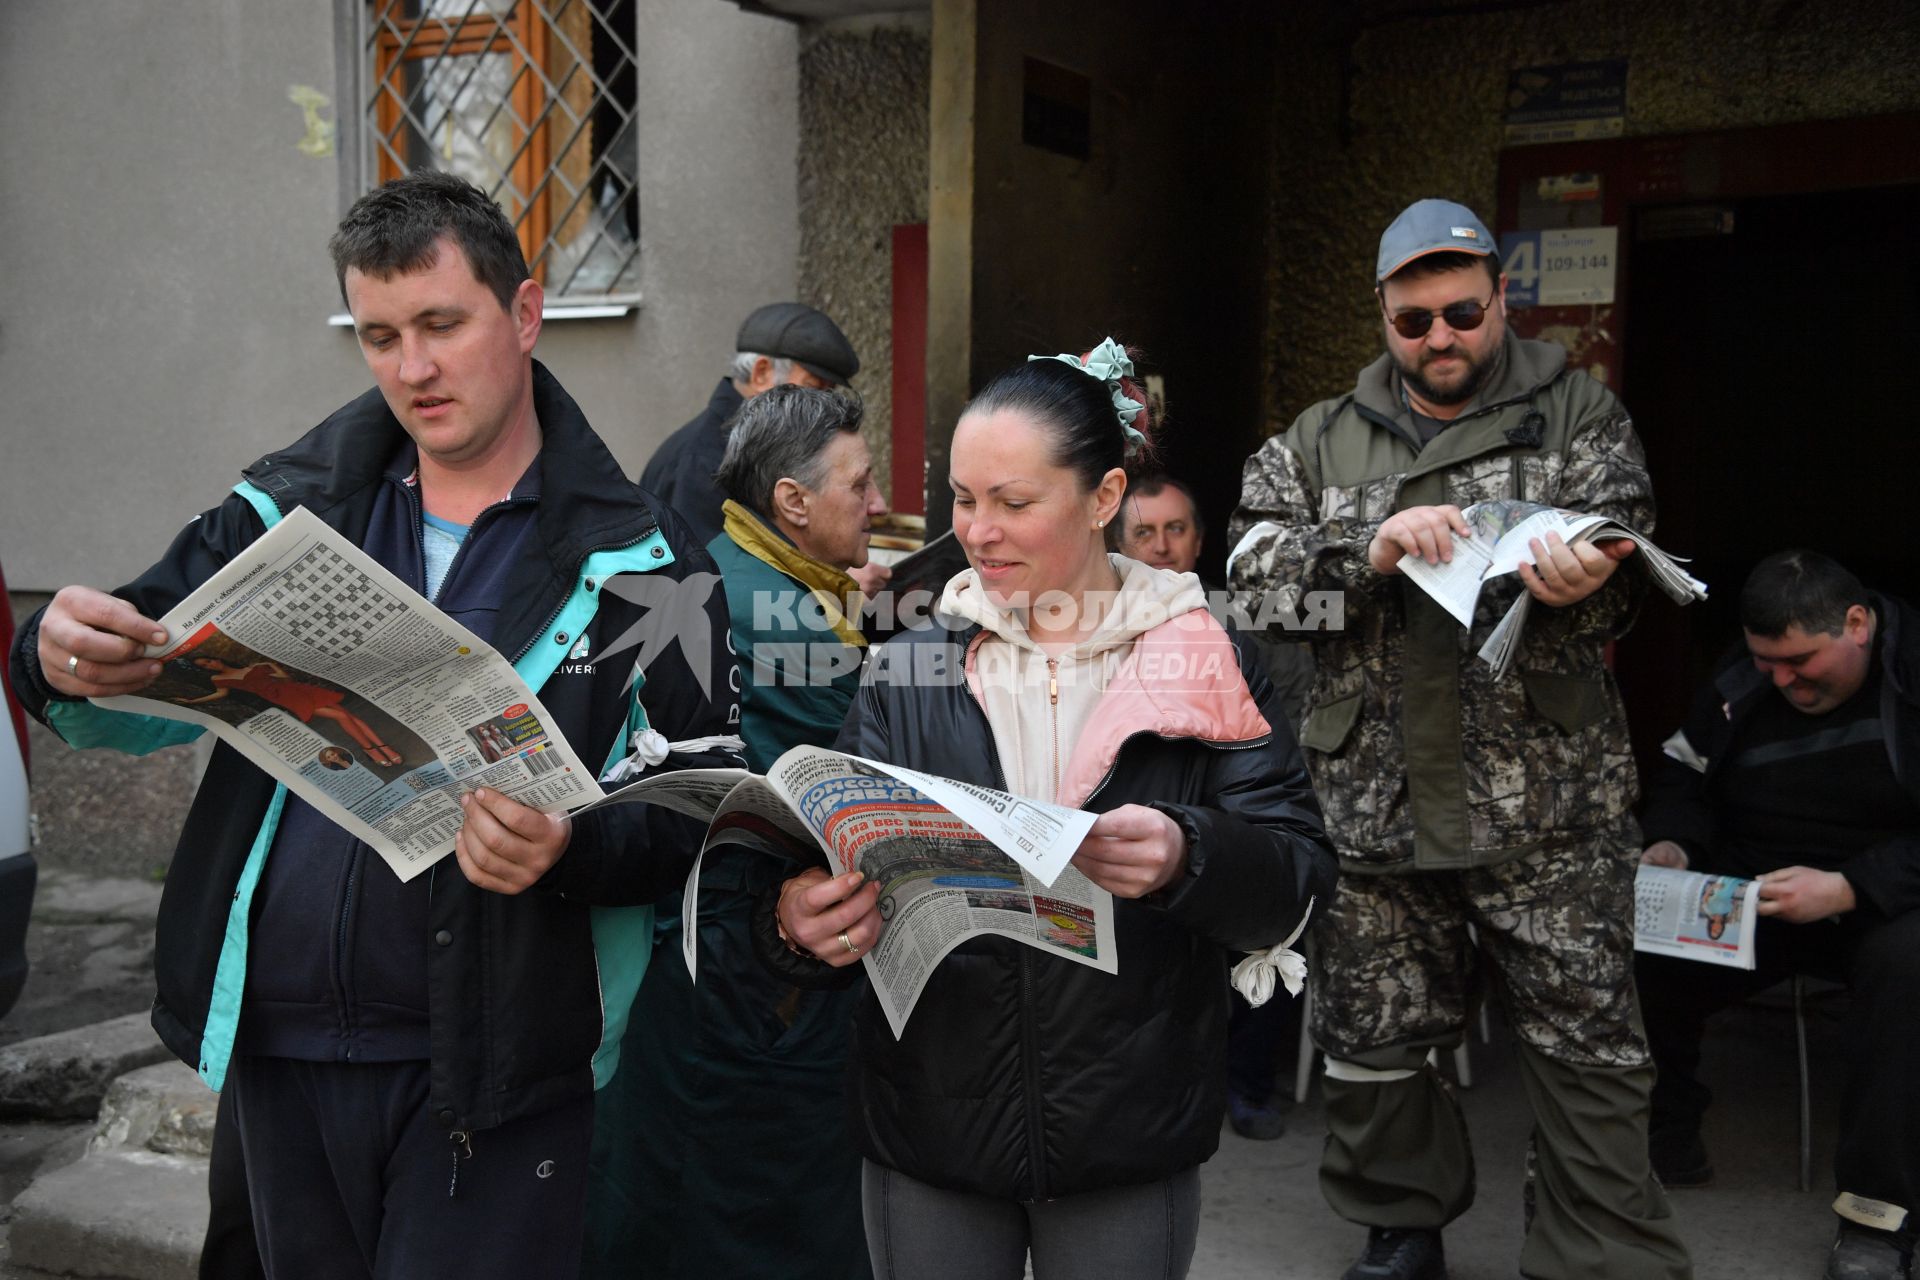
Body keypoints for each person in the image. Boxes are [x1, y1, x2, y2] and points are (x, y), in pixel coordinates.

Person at [8, 170, 736, 1279]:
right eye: (380, 333)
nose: (413, 368)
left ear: (526, 313)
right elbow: (139, 678)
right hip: (278, 1046)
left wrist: (570, 845)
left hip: (500, 1071)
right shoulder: (285, 506)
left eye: (442, 324)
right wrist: (56, 655)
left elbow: (697, 814)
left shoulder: (647, 565)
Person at [762, 340, 1337, 1280]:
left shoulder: (1201, 657)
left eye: (1014, 504)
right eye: (962, 499)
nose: (979, 532)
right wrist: (799, 924)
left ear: (1105, 499)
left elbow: (1298, 883)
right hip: (930, 1125)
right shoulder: (909, 665)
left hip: (1126, 1129)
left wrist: (1189, 856)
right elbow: (829, 874)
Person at [1227, 198, 1691, 1280]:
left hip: (1549, 810)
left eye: (1463, 311)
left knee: (1588, 1046)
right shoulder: (1318, 436)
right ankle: (1401, 1229)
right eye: (1414, 320)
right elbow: (1254, 574)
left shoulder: (1581, 411)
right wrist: (1363, 547)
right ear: (1384, 318)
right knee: (1377, 1041)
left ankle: (1598, 1252)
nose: (1441, 337)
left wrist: (1589, 580)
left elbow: (1635, 567)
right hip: (1378, 806)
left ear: (1500, 299)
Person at [583, 384, 885, 1280]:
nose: (879, 505)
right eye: (861, 485)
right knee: (751, 1223)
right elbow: (859, 744)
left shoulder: (720, 569)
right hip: (749, 982)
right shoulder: (774, 614)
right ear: (792, 503)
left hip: (694, 968)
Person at [1635, 550, 1919, 1280]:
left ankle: (1875, 1218)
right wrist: (1673, 841)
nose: (1784, 681)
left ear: (1856, 625)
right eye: (1770, 664)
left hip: (1885, 897)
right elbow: (1680, 771)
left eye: (1799, 662)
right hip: (1753, 889)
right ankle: (1663, 1139)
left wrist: (1851, 887)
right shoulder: (1745, 676)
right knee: (1638, 934)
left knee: (1908, 970)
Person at [1123, 469, 1311, 1141]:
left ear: (1199, 541)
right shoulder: (1092, 623)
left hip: (1240, 815)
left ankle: (1249, 1081)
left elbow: (1289, 731)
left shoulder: (1252, 625)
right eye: (1144, 532)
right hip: (1145, 832)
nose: (1162, 546)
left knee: (1271, 922)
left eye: (1176, 529)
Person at [641, 302, 861, 550]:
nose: (823, 408)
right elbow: (709, 577)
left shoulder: (756, 447)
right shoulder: (700, 461)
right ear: (762, 374)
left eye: (829, 393)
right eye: (814, 389)